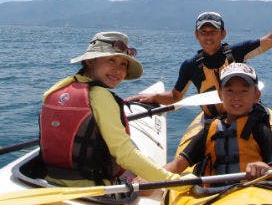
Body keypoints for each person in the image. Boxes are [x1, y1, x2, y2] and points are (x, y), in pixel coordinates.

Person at [39, 31, 184, 188]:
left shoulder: (57, 89)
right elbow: (124, 155)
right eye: (111, 60)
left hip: (49, 181)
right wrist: (173, 180)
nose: (118, 70)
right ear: (91, 61)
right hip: (92, 189)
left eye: (123, 64)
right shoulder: (101, 97)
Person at [126, 4, 272, 119]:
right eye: (204, 32)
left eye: (213, 32)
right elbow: (176, 96)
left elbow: (271, 39)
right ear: (197, 35)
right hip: (213, 121)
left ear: (223, 33)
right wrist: (152, 97)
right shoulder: (190, 65)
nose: (208, 36)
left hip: (245, 117)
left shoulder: (237, 53)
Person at [165, 63, 272, 180]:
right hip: (213, 196)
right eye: (229, 90)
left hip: (251, 194)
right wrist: (149, 180)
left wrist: (266, 169)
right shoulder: (209, 130)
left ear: (256, 95)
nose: (236, 97)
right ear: (220, 94)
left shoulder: (260, 130)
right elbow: (177, 165)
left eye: (244, 91)